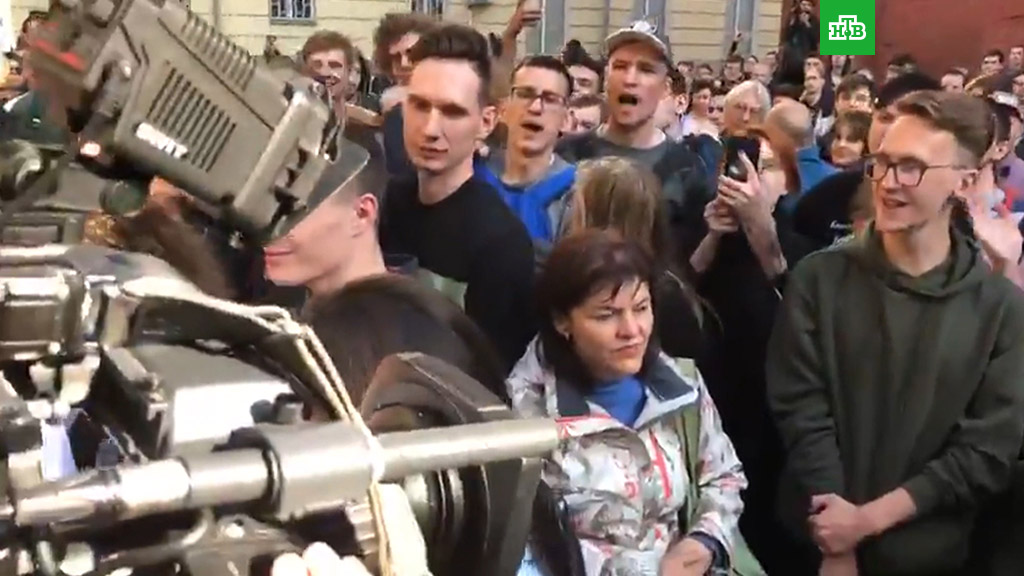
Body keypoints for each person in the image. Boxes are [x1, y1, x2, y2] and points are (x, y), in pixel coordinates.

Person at [767, 90, 1024, 576]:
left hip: (934, 558)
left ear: (965, 180)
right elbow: (802, 411)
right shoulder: (819, 279)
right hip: (815, 548)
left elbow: (986, 451)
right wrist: (837, 543)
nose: (887, 182)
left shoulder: (1001, 310)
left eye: (912, 168)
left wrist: (864, 523)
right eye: (882, 163)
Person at [507, 230, 746, 576]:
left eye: (641, 308)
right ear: (562, 321)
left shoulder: (681, 386)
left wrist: (703, 542)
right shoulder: (524, 417)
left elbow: (724, 477)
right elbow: (524, 540)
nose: (632, 330)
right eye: (607, 315)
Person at [379, 24, 536, 370]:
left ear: (486, 122)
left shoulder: (500, 242)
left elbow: (493, 376)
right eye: (419, 105)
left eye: (452, 112)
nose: (430, 129)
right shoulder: (394, 199)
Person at [556, 20, 712, 260]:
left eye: (646, 69)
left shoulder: (687, 171)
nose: (630, 79)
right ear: (606, 81)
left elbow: (691, 264)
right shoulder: (567, 156)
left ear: (665, 88)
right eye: (620, 66)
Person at [477, 55, 575, 246]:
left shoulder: (576, 195)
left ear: (565, 119)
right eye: (525, 94)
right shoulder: (472, 174)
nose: (536, 107)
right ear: (503, 109)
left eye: (550, 99)